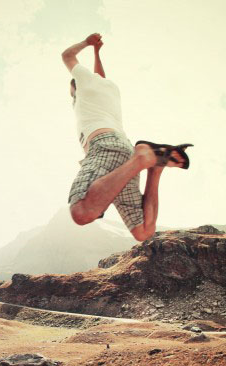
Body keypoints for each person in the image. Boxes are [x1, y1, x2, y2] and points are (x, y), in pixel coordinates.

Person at [62, 33, 192, 242]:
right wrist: (97, 52)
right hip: (124, 151)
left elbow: (67, 55)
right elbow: (101, 77)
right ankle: (154, 167)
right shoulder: (110, 89)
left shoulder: (83, 85)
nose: (72, 96)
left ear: (76, 85)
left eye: (72, 92)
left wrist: (87, 43)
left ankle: (143, 159)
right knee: (143, 232)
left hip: (104, 146)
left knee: (81, 211)